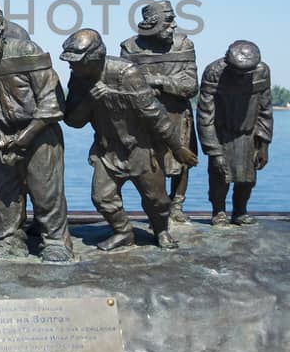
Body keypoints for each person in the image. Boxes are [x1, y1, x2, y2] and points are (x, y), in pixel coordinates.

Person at [60, 29, 199, 251]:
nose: (71, 66)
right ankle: (123, 232)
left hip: (141, 149)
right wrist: (89, 101)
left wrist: (177, 148)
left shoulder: (126, 72)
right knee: (102, 197)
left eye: (76, 61)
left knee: (157, 199)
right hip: (108, 150)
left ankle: (161, 230)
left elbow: (154, 112)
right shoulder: (78, 78)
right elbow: (73, 121)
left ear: (94, 57)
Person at [0, 3, 73, 263]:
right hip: (3, 136)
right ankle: (7, 239)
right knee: (1, 193)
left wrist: (27, 135)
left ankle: (55, 242)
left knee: (46, 192)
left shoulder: (27, 52)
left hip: (40, 133)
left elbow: (53, 102)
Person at [120, 1, 198, 224]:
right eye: (169, 21)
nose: (174, 27)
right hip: (144, 116)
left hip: (177, 113)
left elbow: (190, 86)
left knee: (182, 160)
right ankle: (156, 206)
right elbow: (126, 82)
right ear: (153, 24)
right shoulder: (130, 47)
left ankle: (177, 204)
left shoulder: (183, 44)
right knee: (149, 161)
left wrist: (157, 81)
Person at [197, 40, 273, 226]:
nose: (241, 77)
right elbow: (205, 115)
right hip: (221, 135)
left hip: (248, 135)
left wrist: (263, 145)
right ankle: (219, 211)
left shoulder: (262, 71)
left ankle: (240, 211)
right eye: (237, 72)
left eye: (245, 74)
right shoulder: (214, 72)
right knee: (219, 177)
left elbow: (265, 109)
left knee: (247, 179)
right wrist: (213, 150)